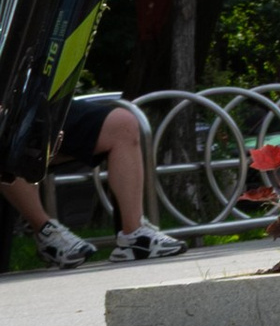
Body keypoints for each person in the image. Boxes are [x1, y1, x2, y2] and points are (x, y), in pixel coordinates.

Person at [3, 94, 186, 267]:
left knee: (122, 123)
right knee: (4, 130)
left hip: (35, 100)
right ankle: (46, 232)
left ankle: (135, 236)